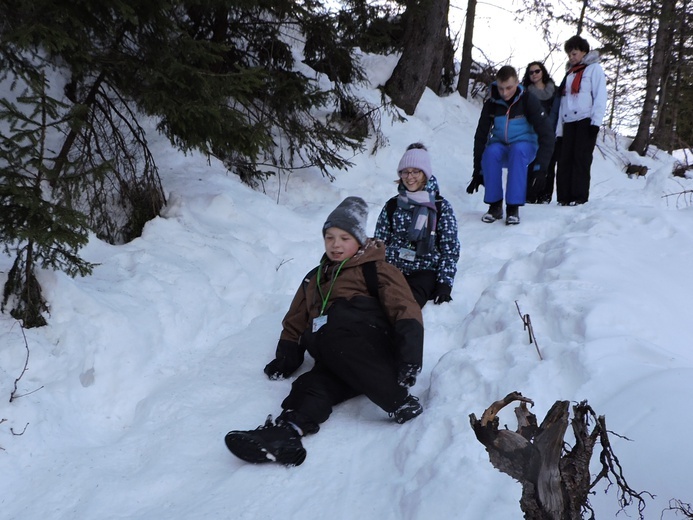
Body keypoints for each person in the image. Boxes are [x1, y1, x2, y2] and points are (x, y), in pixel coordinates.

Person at [224, 197, 424, 466]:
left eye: (344, 237)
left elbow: (405, 309)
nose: (336, 244)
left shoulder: (376, 269)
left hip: (372, 345)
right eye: (329, 237)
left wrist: (410, 357)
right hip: (336, 353)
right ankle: (286, 434)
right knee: (311, 384)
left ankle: (398, 401)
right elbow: (296, 319)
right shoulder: (314, 277)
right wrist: (287, 357)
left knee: (334, 328)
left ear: (360, 240)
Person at [374, 143, 460, 308]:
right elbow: (379, 244)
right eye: (405, 171)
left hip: (424, 271)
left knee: (404, 306)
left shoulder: (440, 207)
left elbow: (449, 250)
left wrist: (444, 284)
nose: (410, 176)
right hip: (393, 269)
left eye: (416, 171)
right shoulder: (392, 205)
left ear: (425, 174)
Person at [466, 65, 554, 225]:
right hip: (501, 145)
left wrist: (541, 168)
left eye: (509, 88)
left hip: (525, 146)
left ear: (517, 83)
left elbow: (547, 134)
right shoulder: (492, 103)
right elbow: (480, 137)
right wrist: (477, 170)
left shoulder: (528, 100)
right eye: (501, 88)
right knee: (491, 152)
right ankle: (495, 206)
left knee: (517, 150)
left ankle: (513, 207)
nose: (504, 93)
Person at [555, 35, 607, 206]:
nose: (572, 57)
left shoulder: (594, 70)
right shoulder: (569, 74)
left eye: (575, 53)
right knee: (565, 160)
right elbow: (563, 101)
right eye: (569, 55)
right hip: (569, 121)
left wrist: (596, 123)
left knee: (581, 158)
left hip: (585, 120)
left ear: (584, 52)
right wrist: (559, 130)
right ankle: (564, 197)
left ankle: (579, 197)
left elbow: (600, 96)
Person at [522, 61, 559, 204]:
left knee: (549, 163)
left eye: (537, 71)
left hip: (551, 131)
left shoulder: (554, 90)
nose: (534, 74)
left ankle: (545, 196)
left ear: (542, 71)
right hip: (532, 131)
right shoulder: (525, 92)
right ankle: (530, 194)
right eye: (531, 72)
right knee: (532, 162)